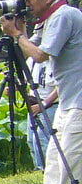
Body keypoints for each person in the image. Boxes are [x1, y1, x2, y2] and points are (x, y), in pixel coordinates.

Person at [0, 0, 82, 184]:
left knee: (71, 156)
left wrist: (17, 35)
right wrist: (20, 32)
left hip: (78, 99)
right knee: (56, 155)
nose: (27, 2)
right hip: (69, 96)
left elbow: (39, 56)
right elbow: (27, 47)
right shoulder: (49, 19)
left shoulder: (63, 15)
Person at [24, 21, 58, 171]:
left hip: (51, 105)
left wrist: (44, 104)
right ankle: (39, 170)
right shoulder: (32, 60)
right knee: (32, 140)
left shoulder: (55, 59)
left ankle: (48, 170)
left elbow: (61, 86)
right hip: (34, 104)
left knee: (44, 138)